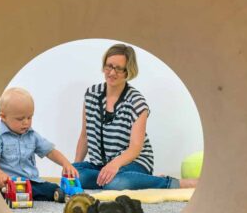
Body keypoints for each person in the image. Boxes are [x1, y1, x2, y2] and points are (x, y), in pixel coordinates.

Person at [72, 43, 199, 190]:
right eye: (109, 66)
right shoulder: (91, 94)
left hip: (134, 162)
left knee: (117, 183)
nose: (112, 73)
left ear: (128, 71)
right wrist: (74, 170)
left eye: (118, 69)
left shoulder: (137, 102)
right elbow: (85, 136)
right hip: (101, 165)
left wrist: (115, 164)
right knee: (77, 175)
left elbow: (135, 148)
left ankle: (172, 183)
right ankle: (134, 181)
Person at [0, 87, 79, 201]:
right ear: (3, 117)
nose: (26, 122)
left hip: (31, 182)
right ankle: (14, 194)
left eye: (29, 117)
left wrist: (66, 163)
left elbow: (50, 151)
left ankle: (32, 194)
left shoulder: (32, 135)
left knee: (53, 188)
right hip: (9, 183)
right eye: (20, 119)